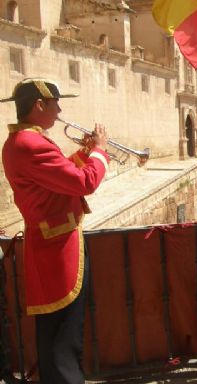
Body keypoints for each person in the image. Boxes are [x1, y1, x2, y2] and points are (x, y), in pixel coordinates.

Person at [1, 78, 110, 384]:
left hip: (55, 244)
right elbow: (83, 183)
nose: (60, 110)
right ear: (39, 106)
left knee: (58, 335)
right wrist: (100, 151)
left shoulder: (24, 141)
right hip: (57, 249)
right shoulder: (30, 143)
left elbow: (61, 177)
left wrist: (86, 154)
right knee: (64, 337)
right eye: (55, 104)